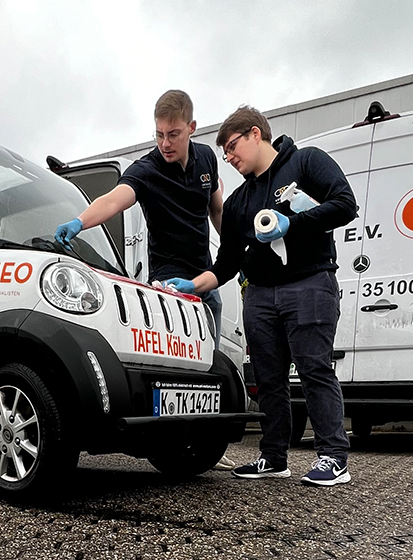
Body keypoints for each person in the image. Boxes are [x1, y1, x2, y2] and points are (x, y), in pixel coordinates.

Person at [164, 106, 357, 486]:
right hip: (260, 295)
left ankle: (333, 457)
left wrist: (294, 223)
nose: (230, 157)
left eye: (232, 146)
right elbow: (226, 264)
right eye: (224, 153)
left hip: (310, 283)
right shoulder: (238, 202)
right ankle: (273, 457)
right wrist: (193, 284)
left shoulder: (305, 163)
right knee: (268, 379)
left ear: (256, 134)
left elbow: (345, 204)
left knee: (313, 368)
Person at [54, 90, 235, 471]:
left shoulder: (206, 158)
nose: (165, 144)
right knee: (180, 372)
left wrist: (232, 255)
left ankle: (201, 444)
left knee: (207, 371)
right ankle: (169, 443)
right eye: (158, 135)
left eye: (173, 134)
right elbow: (114, 199)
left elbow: (216, 207)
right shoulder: (148, 168)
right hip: (169, 280)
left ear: (191, 128)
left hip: (205, 278)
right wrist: (80, 222)